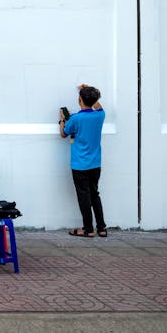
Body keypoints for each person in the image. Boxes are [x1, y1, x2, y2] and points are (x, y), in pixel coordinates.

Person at [59, 84, 107, 238]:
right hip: (95, 164)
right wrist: (90, 91)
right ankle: (101, 228)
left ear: (79, 100)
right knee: (95, 194)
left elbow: (63, 134)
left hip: (80, 165)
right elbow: (98, 106)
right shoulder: (100, 115)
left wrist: (61, 121)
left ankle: (88, 229)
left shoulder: (75, 118)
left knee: (83, 196)